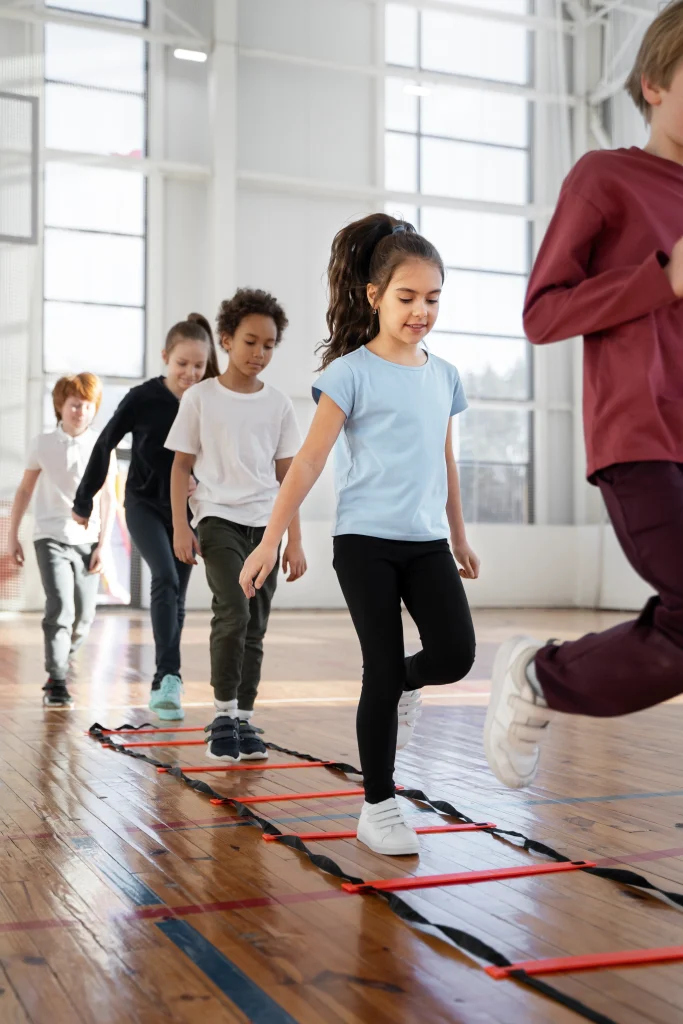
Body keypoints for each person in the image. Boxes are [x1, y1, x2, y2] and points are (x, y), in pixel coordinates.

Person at [484, 0, 683, 791]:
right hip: (639, 440)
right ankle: (540, 675)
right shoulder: (605, 177)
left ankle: (541, 675)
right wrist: (661, 279)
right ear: (654, 85)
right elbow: (542, 313)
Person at [239, 216, 479, 856]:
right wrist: (271, 539)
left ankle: (405, 682)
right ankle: (379, 806)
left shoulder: (445, 375)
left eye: (432, 298)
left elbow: (447, 460)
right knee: (379, 666)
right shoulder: (349, 373)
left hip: (426, 543)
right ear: (374, 296)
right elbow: (311, 461)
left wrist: (458, 536)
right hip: (366, 543)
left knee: (455, 655)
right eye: (407, 298)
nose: (421, 311)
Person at [167, 289, 306, 763]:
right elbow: (181, 466)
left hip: (266, 528)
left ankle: (244, 717)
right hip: (216, 519)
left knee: (256, 626)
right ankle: (222, 714)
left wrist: (295, 540)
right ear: (225, 339)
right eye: (250, 342)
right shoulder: (201, 398)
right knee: (235, 611)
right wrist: (181, 527)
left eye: (269, 345)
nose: (259, 354)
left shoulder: (280, 405)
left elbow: (290, 478)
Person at [73, 315, 219, 720]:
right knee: (165, 578)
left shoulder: (208, 401)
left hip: (187, 511)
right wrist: (84, 500)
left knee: (177, 597)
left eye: (198, 366)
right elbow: (105, 442)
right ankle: (166, 678)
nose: (190, 373)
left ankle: (166, 678)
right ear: (165, 358)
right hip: (143, 505)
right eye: (182, 364)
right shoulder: (142, 398)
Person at [9, 373, 116, 706]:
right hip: (50, 536)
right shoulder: (42, 443)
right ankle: (57, 679)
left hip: (88, 539)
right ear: (60, 406)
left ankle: (64, 657)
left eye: (86, 405)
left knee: (84, 615)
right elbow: (25, 489)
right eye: (74, 404)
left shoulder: (102, 446)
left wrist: (104, 544)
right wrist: (12, 536)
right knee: (61, 607)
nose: (80, 411)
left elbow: (109, 497)